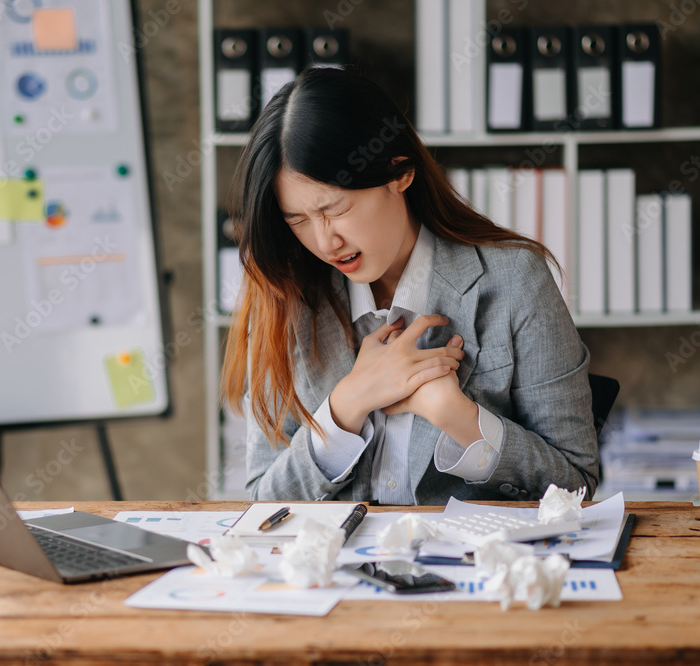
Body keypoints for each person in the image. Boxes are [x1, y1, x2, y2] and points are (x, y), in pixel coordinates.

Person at [221, 67, 599, 505]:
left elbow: (577, 485)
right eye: (299, 220)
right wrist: (346, 406)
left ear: (399, 172)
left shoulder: (516, 281)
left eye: (337, 209)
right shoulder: (282, 294)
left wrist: (455, 415)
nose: (325, 241)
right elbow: (263, 502)